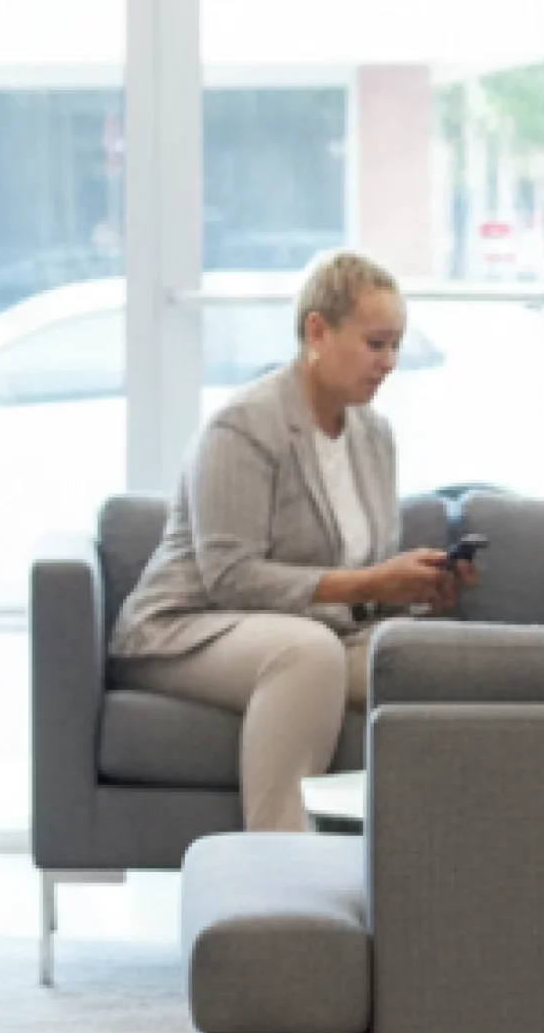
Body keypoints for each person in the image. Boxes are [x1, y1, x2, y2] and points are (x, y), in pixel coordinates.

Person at [108, 251, 476, 833]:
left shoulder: (374, 434)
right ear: (317, 331)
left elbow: (352, 582)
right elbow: (229, 577)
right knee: (306, 652)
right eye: (376, 344)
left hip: (320, 628)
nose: (389, 363)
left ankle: (446, 856)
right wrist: (371, 582)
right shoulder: (245, 425)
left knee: (442, 655)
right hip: (187, 628)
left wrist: (413, 593)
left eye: (396, 346)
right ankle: (277, 862)